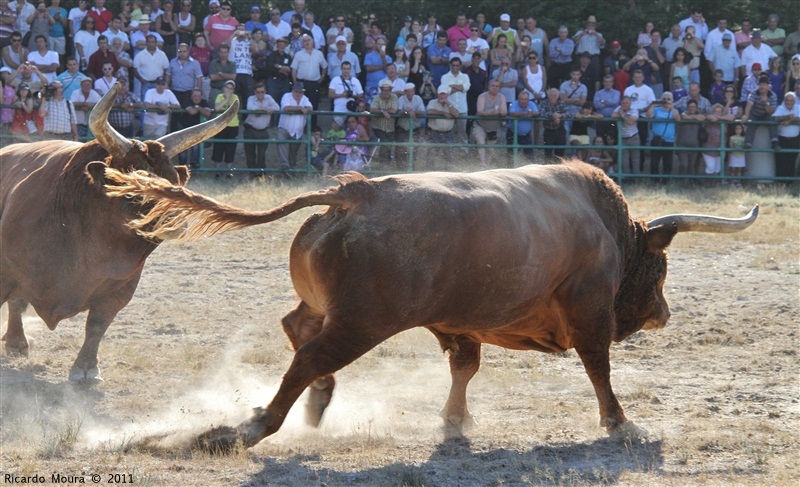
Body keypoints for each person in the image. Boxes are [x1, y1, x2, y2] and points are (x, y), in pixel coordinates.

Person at [240, 81, 278, 174]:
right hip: (250, 129)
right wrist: (265, 110)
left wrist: (259, 111)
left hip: (263, 130)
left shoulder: (269, 98)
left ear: (265, 91)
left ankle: (261, 174)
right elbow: (250, 107)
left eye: (262, 92)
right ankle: (252, 174)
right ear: (254, 92)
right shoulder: (251, 98)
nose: (260, 94)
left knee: (262, 154)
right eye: (258, 92)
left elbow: (277, 108)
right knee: (250, 154)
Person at [471, 79, 507, 166]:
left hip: (493, 127)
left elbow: (504, 112)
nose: (494, 88)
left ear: (499, 88)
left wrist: (500, 112)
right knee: (481, 142)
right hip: (480, 124)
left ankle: (487, 165)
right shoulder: (482, 96)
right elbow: (480, 111)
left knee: (491, 148)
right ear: (488, 87)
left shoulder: (502, 97)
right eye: (493, 86)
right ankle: (482, 164)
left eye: (497, 86)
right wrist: (491, 113)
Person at [276, 81, 311, 169]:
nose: (298, 93)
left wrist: (305, 109)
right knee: (281, 144)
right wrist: (300, 108)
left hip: (297, 131)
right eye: (296, 91)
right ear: (292, 90)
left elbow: (310, 108)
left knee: (294, 152)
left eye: (300, 92)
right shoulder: (286, 96)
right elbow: (286, 108)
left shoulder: (305, 98)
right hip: (284, 128)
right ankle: (285, 166)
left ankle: (291, 170)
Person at [647, 92, 681, 181]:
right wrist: (653, 105)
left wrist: (672, 107)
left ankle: (666, 181)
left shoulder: (675, 110)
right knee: (654, 162)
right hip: (656, 140)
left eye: (669, 99)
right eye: (664, 99)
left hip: (669, 140)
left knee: (668, 162)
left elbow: (677, 119)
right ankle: (654, 181)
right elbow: (648, 116)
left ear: (672, 100)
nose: (666, 101)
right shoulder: (656, 110)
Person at [741, 75, 779, 150]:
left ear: (768, 86)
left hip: (767, 115)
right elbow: (749, 104)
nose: (762, 87)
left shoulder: (773, 95)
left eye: (764, 85)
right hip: (755, 114)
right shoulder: (754, 93)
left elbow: (772, 111)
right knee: (751, 121)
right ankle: (748, 143)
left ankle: (774, 142)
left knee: (772, 120)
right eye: (760, 84)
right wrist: (746, 115)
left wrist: (766, 103)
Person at [210, 79, 238, 176]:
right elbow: (217, 108)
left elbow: (234, 108)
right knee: (218, 147)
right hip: (220, 125)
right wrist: (226, 99)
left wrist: (230, 98)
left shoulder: (235, 97)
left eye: (231, 88)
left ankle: (229, 171)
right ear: (223, 88)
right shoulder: (219, 96)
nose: (229, 90)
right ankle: (217, 171)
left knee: (230, 148)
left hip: (232, 125)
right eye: (227, 88)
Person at [425, 84, 458, 165]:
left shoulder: (451, 103)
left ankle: (449, 174)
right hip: (434, 133)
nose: (442, 96)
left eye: (444, 94)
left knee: (450, 157)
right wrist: (443, 113)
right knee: (431, 157)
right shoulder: (432, 102)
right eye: (440, 94)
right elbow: (429, 111)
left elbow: (456, 114)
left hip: (448, 133)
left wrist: (448, 104)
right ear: (437, 94)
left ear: (447, 95)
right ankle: (429, 174)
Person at [440, 57, 469, 145]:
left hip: (462, 108)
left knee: (462, 132)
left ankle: (463, 153)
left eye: (457, 65)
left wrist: (452, 86)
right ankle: (450, 153)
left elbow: (467, 88)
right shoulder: (444, 77)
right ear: (450, 65)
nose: (455, 67)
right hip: (449, 108)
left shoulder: (465, 76)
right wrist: (460, 87)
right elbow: (446, 91)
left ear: (460, 66)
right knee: (449, 132)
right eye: (453, 65)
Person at [396, 81, 425, 169]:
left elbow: (422, 111)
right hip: (402, 127)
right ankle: (400, 169)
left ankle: (411, 168)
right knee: (400, 149)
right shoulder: (401, 99)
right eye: (407, 91)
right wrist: (407, 112)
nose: (409, 93)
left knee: (414, 150)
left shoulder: (418, 99)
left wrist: (413, 112)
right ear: (405, 92)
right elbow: (399, 111)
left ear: (414, 91)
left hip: (415, 128)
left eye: (411, 91)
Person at [700, 103, 734, 177]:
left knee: (718, 169)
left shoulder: (724, 120)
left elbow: (732, 117)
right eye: (715, 111)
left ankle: (715, 185)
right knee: (711, 167)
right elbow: (709, 117)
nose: (717, 113)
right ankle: (708, 184)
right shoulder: (709, 119)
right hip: (709, 148)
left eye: (719, 111)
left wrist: (719, 118)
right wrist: (717, 117)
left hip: (720, 148)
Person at [370, 78, 398, 164]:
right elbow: (372, 109)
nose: (386, 92)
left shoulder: (394, 97)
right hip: (378, 127)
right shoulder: (377, 98)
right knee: (384, 142)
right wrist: (383, 112)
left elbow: (394, 110)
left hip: (390, 128)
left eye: (388, 90)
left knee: (388, 145)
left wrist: (382, 110)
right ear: (381, 90)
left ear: (391, 90)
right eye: (384, 90)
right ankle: (382, 165)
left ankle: (387, 165)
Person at [133, 34, 169, 100]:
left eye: (153, 42)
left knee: (158, 101)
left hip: (158, 84)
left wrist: (163, 80)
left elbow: (166, 68)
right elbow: (134, 69)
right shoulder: (140, 55)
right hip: (146, 83)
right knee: (145, 103)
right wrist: (141, 79)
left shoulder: (162, 54)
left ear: (156, 43)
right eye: (149, 42)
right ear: (146, 43)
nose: (151, 44)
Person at [772, 91, 799, 179]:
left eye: (791, 101)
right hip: (782, 139)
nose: (789, 102)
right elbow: (776, 118)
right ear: (784, 100)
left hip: (795, 139)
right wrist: (787, 116)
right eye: (787, 100)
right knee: (780, 161)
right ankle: (780, 183)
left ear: (794, 101)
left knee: (791, 161)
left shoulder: (798, 108)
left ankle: (789, 184)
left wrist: (790, 120)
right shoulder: (780, 108)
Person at [328, 59, 362, 126]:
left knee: (351, 133)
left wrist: (352, 95)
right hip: (339, 110)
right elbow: (330, 95)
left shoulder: (355, 81)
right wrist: (342, 95)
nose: (346, 71)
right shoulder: (335, 80)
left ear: (351, 69)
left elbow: (361, 94)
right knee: (337, 131)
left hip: (351, 110)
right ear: (341, 69)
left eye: (348, 69)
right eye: (344, 69)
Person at [611, 95, 639, 175]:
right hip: (623, 138)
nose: (625, 104)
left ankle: (636, 179)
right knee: (624, 160)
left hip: (634, 137)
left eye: (627, 103)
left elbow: (631, 122)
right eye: (623, 103)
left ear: (630, 103)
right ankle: (627, 179)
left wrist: (622, 115)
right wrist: (626, 116)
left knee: (635, 159)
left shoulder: (634, 110)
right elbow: (613, 115)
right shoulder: (618, 108)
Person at [675, 99, 705, 174]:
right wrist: (694, 117)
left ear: (697, 108)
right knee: (684, 164)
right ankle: (682, 181)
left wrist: (691, 117)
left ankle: (690, 182)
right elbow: (684, 117)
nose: (692, 108)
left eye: (694, 107)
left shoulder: (700, 115)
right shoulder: (683, 114)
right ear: (687, 107)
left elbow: (702, 118)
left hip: (695, 145)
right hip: (682, 145)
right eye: (690, 107)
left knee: (692, 165)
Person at [228, 23, 254, 107]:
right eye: (239, 29)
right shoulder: (232, 40)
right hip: (234, 73)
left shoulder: (248, 41)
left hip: (247, 72)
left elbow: (256, 50)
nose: (241, 32)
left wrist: (249, 37)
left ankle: (245, 118)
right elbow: (223, 46)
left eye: (242, 30)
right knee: (234, 97)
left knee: (247, 96)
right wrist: (233, 35)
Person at [506, 89, 536, 160]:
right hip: (512, 133)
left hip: (526, 134)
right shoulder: (514, 104)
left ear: (528, 100)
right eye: (521, 99)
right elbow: (512, 113)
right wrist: (525, 114)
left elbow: (537, 113)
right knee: (511, 154)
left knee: (529, 155)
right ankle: (510, 169)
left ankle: (530, 170)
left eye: (525, 99)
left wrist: (532, 114)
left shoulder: (532, 104)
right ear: (518, 99)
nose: (523, 101)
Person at [539, 88, 568, 158]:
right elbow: (541, 113)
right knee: (547, 153)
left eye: (555, 95)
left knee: (560, 153)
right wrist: (553, 116)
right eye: (551, 95)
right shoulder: (543, 103)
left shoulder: (562, 103)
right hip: (548, 131)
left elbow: (569, 113)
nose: (553, 97)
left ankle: (559, 168)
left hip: (560, 130)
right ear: (548, 96)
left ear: (558, 96)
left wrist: (560, 115)